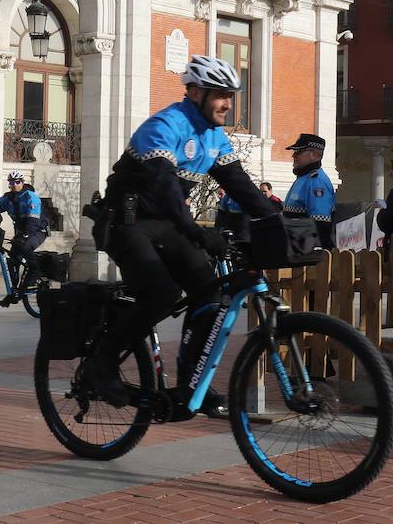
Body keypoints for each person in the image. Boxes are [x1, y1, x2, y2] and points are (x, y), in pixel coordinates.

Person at [88, 55, 277, 416]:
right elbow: (164, 186)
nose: (227, 104)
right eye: (220, 95)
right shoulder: (165, 125)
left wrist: (277, 221)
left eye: (230, 96)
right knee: (161, 294)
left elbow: (240, 185)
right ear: (194, 93)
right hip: (127, 223)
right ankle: (101, 363)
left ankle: (192, 383)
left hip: (165, 224)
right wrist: (194, 231)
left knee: (209, 292)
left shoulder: (214, 137)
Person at [0, 170, 47, 303]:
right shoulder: (7, 199)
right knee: (12, 260)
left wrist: (25, 236)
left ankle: (35, 270)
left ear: (22, 182)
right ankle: (14, 291)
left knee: (25, 246)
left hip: (38, 231)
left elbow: (33, 222)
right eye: (11, 182)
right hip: (21, 233)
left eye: (17, 182)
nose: (14, 185)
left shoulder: (31, 197)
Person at [283, 133, 335, 249]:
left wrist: (312, 253)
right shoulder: (303, 178)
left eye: (298, 152)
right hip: (296, 248)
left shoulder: (316, 182)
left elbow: (320, 225)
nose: (293, 155)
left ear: (314, 155)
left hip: (307, 253)